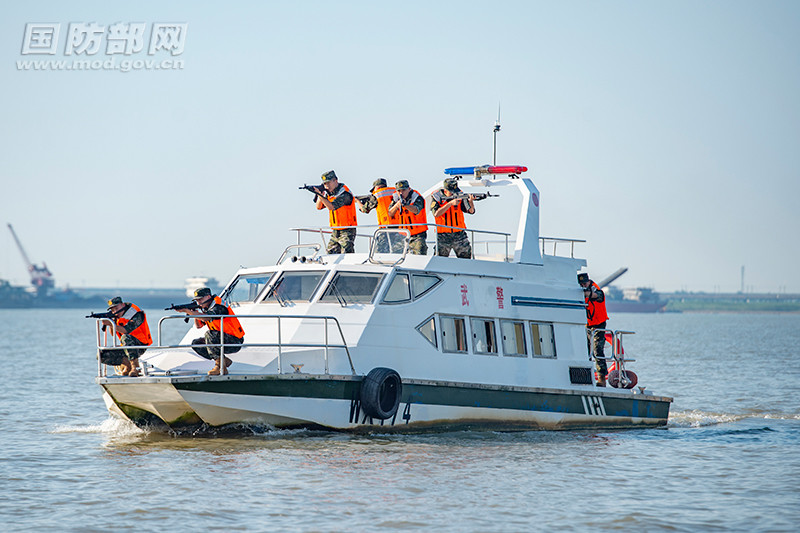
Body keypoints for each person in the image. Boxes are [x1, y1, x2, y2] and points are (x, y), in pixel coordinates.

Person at [178, 287, 245, 375]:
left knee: (209, 334)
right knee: (196, 343)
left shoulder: (219, 306)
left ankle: (220, 367)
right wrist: (194, 312)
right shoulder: (207, 308)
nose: (199, 302)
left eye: (201, 299)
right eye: (197, 300)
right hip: (221, 339)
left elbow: (207, 317)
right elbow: (198, 326)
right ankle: (223, 361)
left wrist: (188, 311)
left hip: (234, 341)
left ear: (208, 296)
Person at [101, 296, 152, 377]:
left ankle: (135, 368)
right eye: (112, 309)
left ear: (123, 305)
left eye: (116, 308)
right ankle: (128, 365)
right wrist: (110, 322)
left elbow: (126, 330)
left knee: (125, 337)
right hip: (126, 346)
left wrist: (111, 324)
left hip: (139, 345)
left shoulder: (136, 313)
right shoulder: (116, 316)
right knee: (102, 354)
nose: (115, 311)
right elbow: (113, 334)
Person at [430, 177, 475, 258]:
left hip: (459, 234)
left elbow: (471, 211)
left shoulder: (460, 195)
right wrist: (450, 203)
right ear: (445, 190)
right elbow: (436, 213)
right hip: (443, 235)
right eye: (451, 192)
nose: (454, 193)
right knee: (439, 260)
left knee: (466, 258)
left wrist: (471, 201)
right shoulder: (437, 197)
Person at [314, 170, 357, 254]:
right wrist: (321, 193)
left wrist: (319, 195)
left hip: (347, 230)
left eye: (328, 183)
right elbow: (318, 207)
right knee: (330, 254)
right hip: (335, 230)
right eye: (325, 184)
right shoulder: (330, 193)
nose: (327, 186)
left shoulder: (345, 193)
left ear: (335, 180)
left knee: (347, 254)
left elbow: (331, 207)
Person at [578, 272, 609, 386]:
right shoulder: (580, 290)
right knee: (584, 350)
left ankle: (601, 378)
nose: (583, 286)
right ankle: (585, 376)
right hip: (587, 324)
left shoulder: (595, 289)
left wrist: (587, 294)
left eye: (585, 283)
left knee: (598, 349)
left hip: (599, 323)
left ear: (589, 281)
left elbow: (598, 296)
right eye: (581, 284)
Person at [356, 178, 402, 252]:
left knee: (380, 252)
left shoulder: (377, 195)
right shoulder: (396, 191)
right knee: (397, 251)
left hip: (386, 227)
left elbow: (364, 209)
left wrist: (357, 201)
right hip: (401, 227)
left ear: (377, 187)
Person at [388, 180, 428, 255]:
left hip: (418, 235)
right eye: (399, 191)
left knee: (420, 254)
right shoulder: (395, 199)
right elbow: (390, 213)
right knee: (395, 254)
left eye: (403, 190)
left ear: (409, 189)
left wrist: (406, 205)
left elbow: (416, 210)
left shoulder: (417, 198)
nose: (401, 193)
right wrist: (397, 205)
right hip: (403, 235)